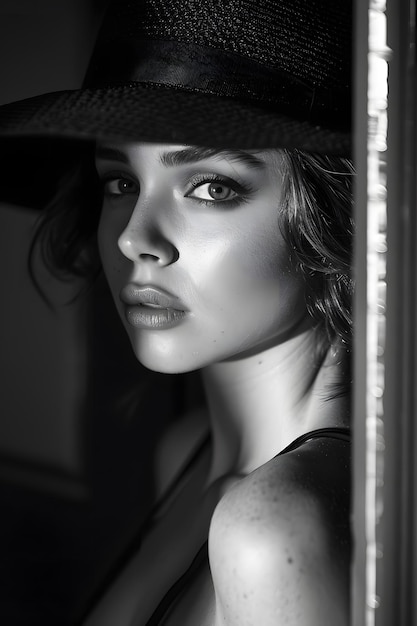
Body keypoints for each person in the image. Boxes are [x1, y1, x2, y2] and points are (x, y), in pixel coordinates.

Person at [0, 0, 354, 624]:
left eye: (212, 187)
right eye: (120, 182)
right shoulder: (186, 453)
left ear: (333, 212)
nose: (135, 237)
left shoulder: (274, 527)